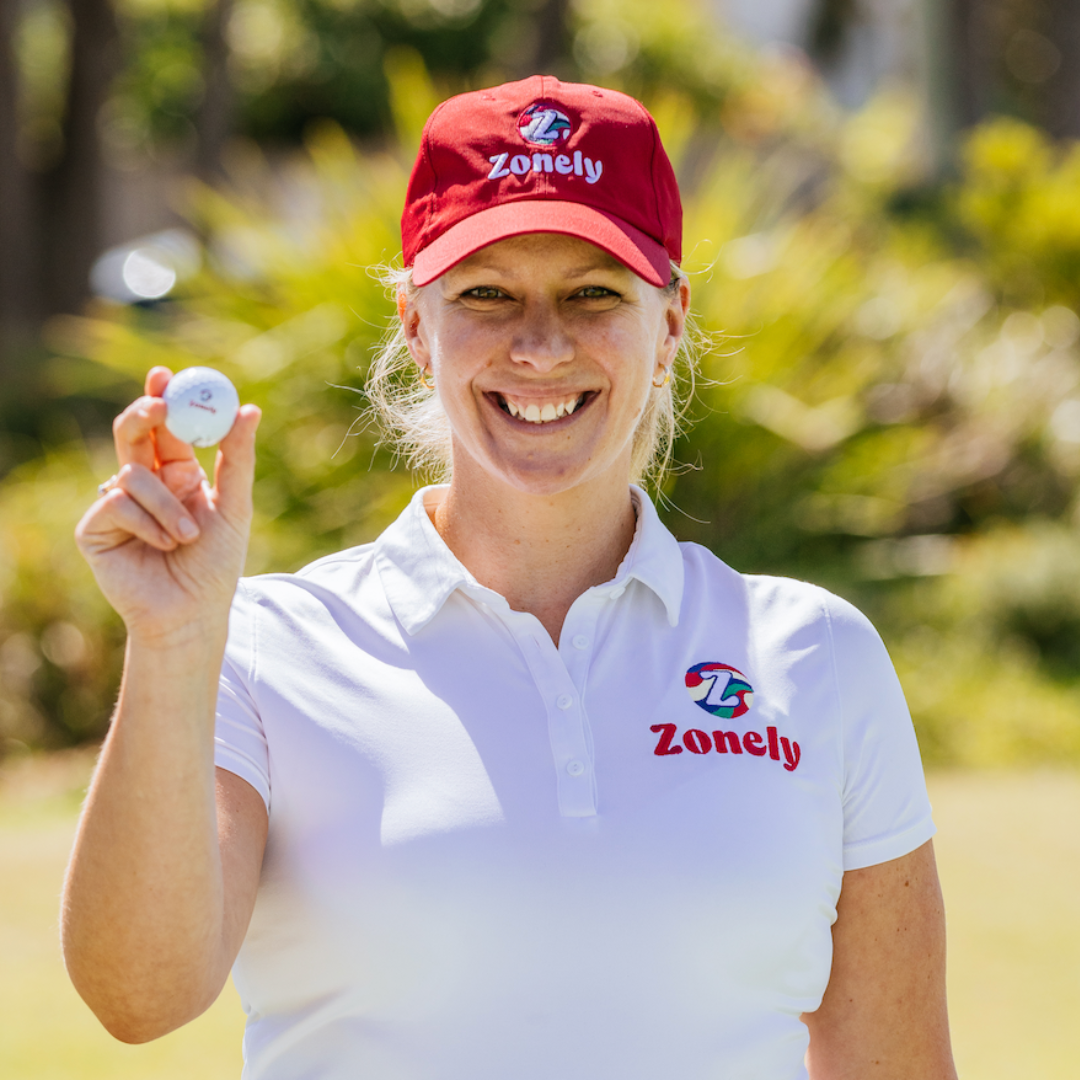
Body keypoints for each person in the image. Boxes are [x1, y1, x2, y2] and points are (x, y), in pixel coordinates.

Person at [63, 77, 957, 1080]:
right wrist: (174, 641)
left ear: (668, 326)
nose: (539, 343)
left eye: (593, 293)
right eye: (486, 292)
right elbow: (138, 997)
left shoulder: (817, 654)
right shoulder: (266, 643)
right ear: (414, 321)